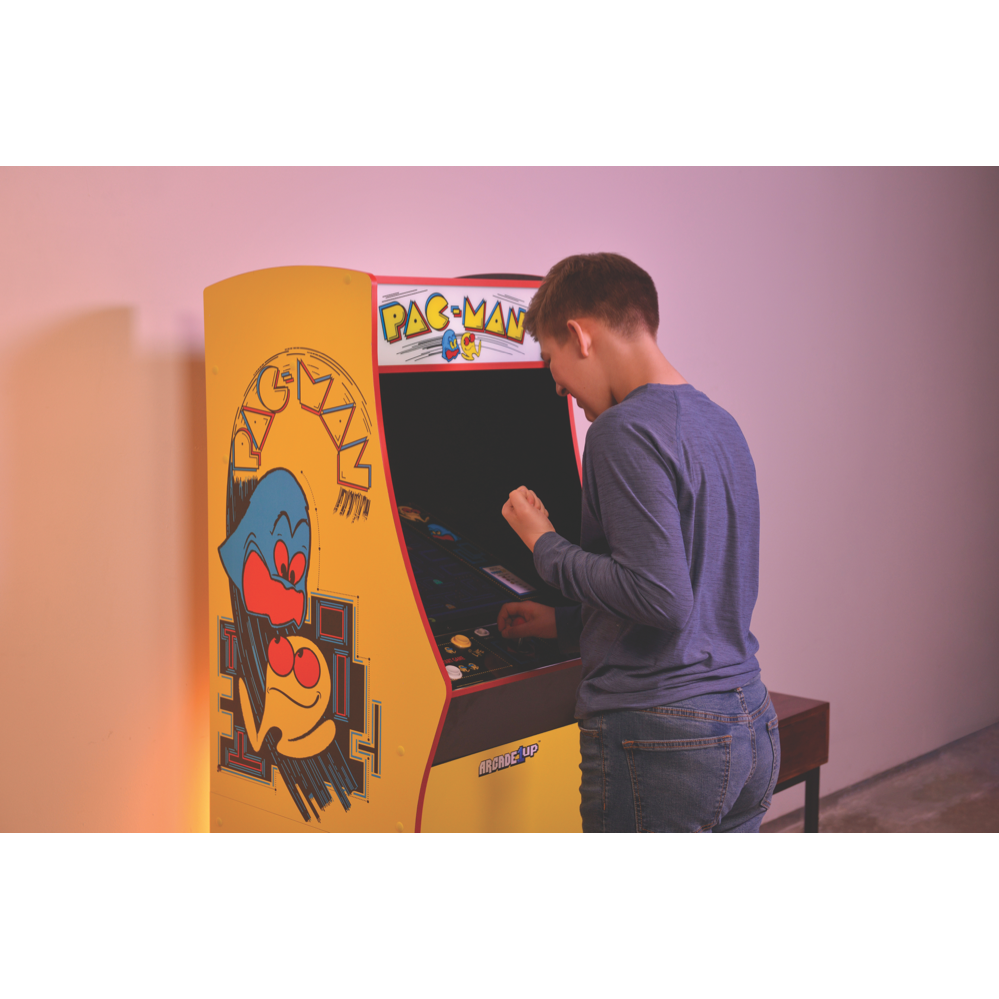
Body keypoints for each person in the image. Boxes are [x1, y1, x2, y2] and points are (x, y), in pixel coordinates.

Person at [497, 252, 780, 833]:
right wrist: (561, 625)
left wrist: (543, 543)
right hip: (749, 719)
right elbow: (695, 595)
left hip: (663, 737)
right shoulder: (718, 422)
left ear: (581, 335)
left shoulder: (621, 431)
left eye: (550, 359)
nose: (556, 384)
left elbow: (660, 597)